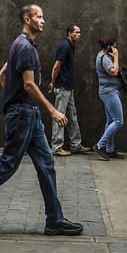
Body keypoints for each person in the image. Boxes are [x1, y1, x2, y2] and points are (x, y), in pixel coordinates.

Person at [0, 5, 84, 239]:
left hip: (26, 113)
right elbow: (29, 84)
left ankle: (55, 220)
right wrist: (51, 110)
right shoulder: (25, 47)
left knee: (46, 164)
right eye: (39, 16)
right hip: (24, 115)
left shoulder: (20, 45)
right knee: (8, 165)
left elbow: (2, 76)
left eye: (43, 15)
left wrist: (13, 98)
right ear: (27, 19)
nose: (43, 20)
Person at [48, 24, 86, 157]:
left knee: (72, 116)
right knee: (59, 116)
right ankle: (57, 147)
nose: (79, 35)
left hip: (68, 87)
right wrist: (52, 83)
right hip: (63, 87)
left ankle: (75, 145)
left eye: (79, 32)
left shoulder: (70, 46)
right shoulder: (65, 46)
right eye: (76, 32)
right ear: (69, 33)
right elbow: (56, 67)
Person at [93, 36, 124, 160]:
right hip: (109, 92)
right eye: (114, 46)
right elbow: (114, 72)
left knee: (111, 121)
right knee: (119, 121)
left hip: (108, 91)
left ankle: (110, 149)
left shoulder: (101, 55)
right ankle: (100, 145)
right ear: (109, 47)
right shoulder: (104, 58)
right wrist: (116, 57)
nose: (116, 49)